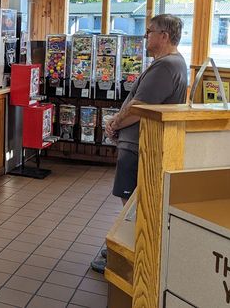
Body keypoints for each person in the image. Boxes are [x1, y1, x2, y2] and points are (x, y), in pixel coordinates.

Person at [91, 14, 189, 273]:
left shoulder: (166, 66)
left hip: (137, 146)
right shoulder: (171, 64)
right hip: (138, 143)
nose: (146, 36)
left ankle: (131, 254)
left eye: (150, 31)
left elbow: (138, 107)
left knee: (132, 204)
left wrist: (113, 123)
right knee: (134, 201)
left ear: (164, 36)